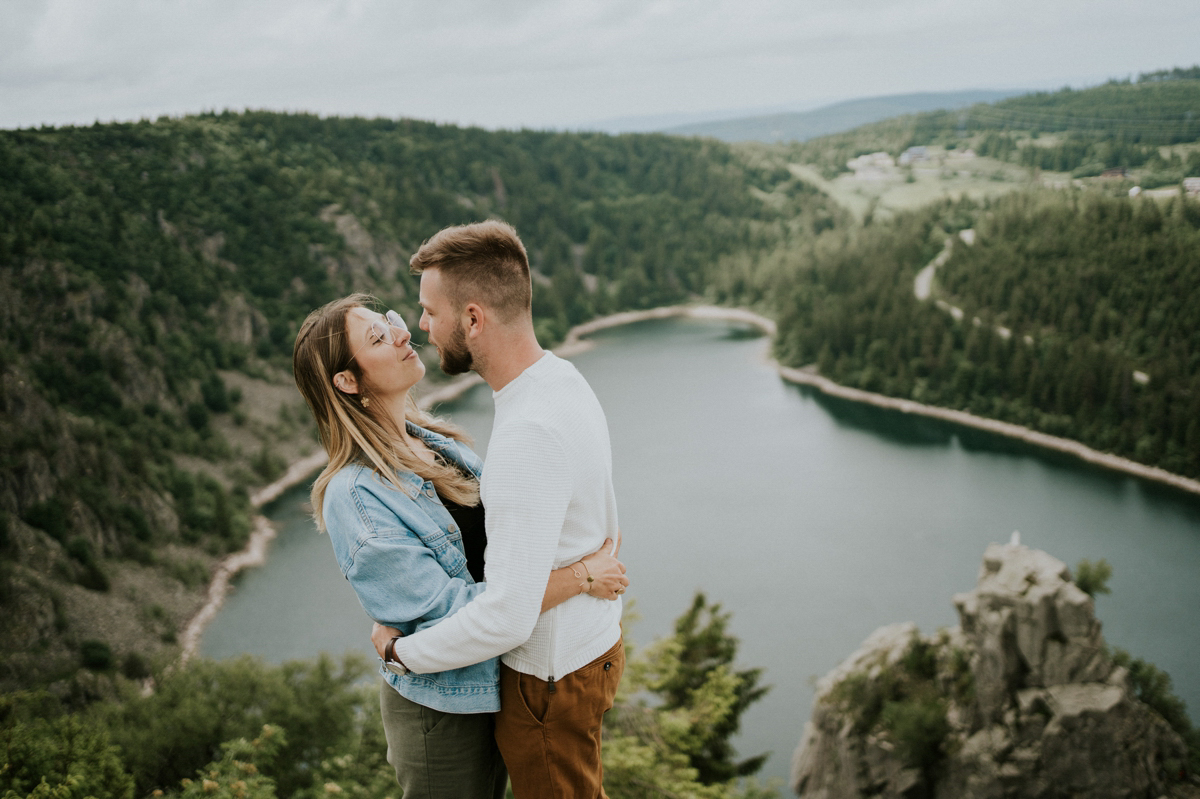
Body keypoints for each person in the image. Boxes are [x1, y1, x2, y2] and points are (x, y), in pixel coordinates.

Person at [292, 293, 629, 799]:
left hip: (496, 683)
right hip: (441, 713)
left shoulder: (434, 441)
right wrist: (581, 576)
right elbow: (451, 614)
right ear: (347, 381)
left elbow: (514, 545)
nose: (403, 332)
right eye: (378, 337)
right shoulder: (354, 495)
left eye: (390, 321)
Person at [370, 220, 626, 799]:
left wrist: (403, 654)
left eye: (430, 311)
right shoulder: (562, 379)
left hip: (549, 679)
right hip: (588, 649)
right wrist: (584, 574)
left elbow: (507, 617)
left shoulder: (527, 433)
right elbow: (603, 517)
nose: (420, 327)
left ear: (474, 318)